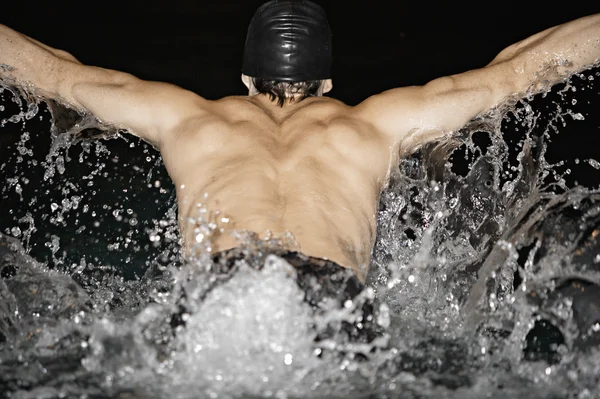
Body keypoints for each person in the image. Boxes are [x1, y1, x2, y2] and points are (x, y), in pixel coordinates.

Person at [0, 1, 599, 295]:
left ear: (245, 80)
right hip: (328, 290)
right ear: (328, 83)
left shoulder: (186, 116)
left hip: (223, 287)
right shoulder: (375, 124)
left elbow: (57, 74)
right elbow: (519, 72)